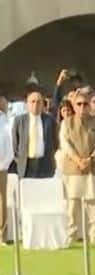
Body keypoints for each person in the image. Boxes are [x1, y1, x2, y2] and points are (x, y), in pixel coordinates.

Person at [59, 92, 95, 243]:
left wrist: (90, 159)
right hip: (73, 169)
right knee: (73, 204)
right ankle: (72, 234)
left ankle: (94, 234)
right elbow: (65, 144)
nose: (82, 107)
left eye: (85, 104)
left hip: (93, 167)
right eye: (78, 104)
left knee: (92, 203)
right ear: (73, 105)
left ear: (90, 105)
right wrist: (78, 160)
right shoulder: (66, 123)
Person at [11, 88, 58, 178]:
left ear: (42, 104)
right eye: (32, 102)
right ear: (27, 104)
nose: (35, 104)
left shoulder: (50, 120)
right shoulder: (19, 120)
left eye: (38, 102)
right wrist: (20, 160)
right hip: (26, 165)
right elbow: (15, 144)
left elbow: (55, 142)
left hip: (45, 164)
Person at [0, 115, 12, 244]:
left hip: (1, 168)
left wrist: (4, 164)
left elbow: (9, 146)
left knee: (2, 201)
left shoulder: (4, 120)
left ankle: (2, 235)